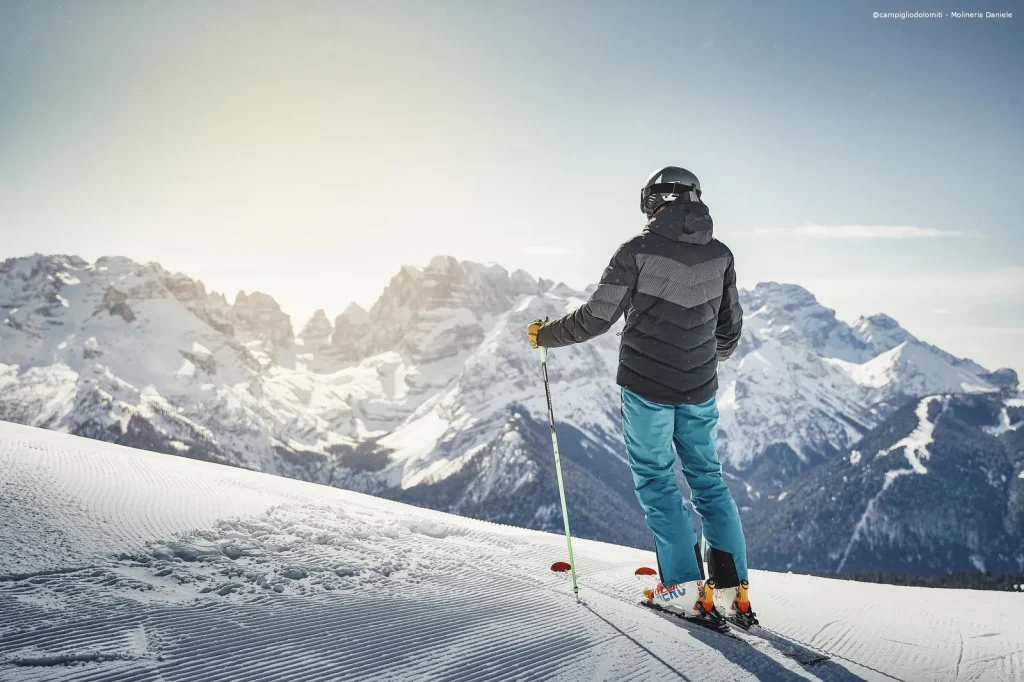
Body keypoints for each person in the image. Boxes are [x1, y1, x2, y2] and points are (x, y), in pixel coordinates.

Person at [526, 166, 756, 628]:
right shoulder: (720, 254)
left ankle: (685, 590)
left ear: (654, 203)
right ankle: (733, 592)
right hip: (700, 389)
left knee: (656, 480)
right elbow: (729, 329)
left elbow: (596, 317)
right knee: (708, 481)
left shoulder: (637, 251)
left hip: (646, 387)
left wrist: (545, 335)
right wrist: (704, 359)